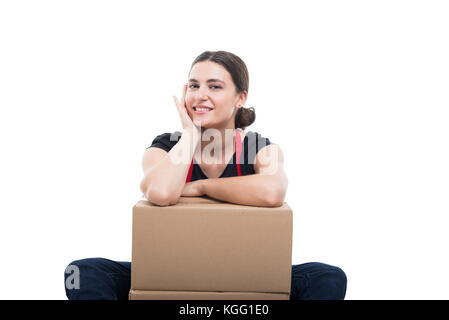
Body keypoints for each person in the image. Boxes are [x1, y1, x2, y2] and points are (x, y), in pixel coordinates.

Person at [64, 50, 347, 300]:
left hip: (245, 275)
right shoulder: (164, 146)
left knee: (328, 277)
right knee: (81, 272)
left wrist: (200, 187)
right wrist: (190, 134)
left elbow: (273, 191)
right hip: (173, 275)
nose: (200, 95)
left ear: (240, 98)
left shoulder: (260, 147)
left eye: (215, 86)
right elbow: (161, 193)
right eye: (194, 85)